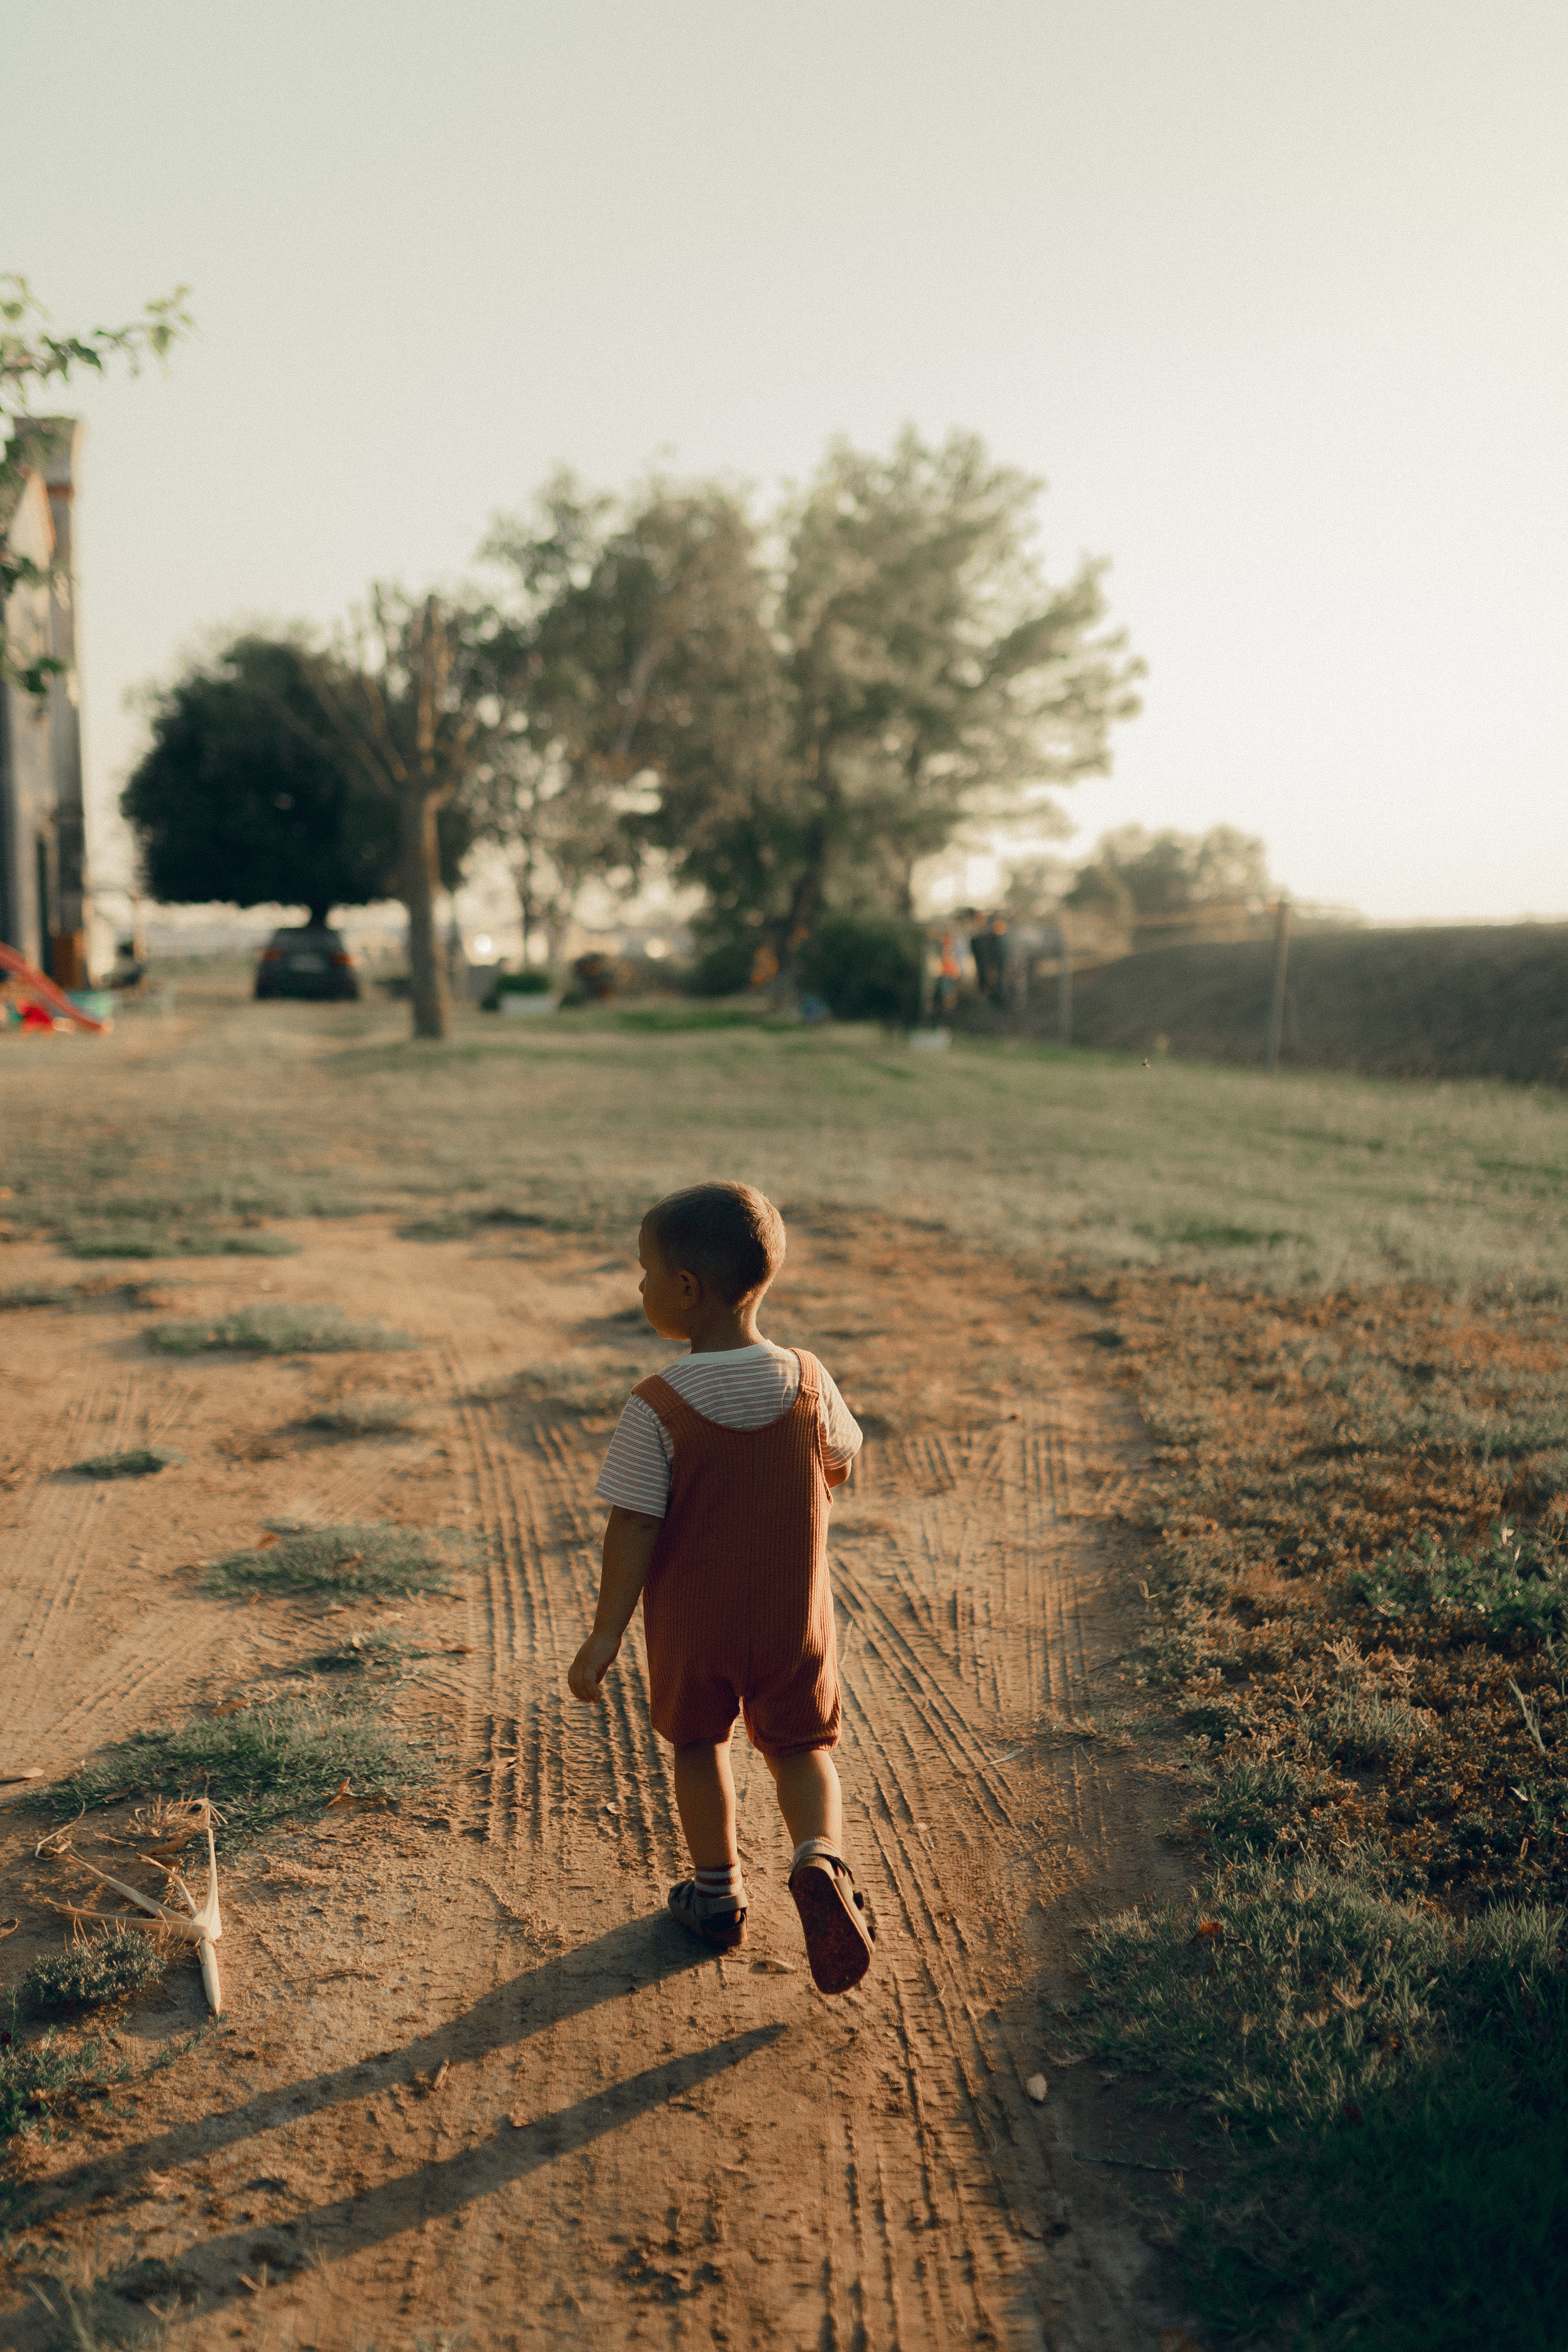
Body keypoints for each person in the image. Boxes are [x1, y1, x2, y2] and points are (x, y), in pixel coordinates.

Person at [568, 1182, 874, 1996]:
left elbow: (632, 1526)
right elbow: (843, 1460)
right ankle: (820, 1858)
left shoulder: (658, 1406)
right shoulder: (810, 1381)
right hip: (791, 1625)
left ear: (687, 1291)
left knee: (699, 1747)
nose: (639, 1288)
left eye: (645, 1274)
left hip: (695, 1630)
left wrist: (604, 1636)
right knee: (803, 1750)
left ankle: (717, 1897)